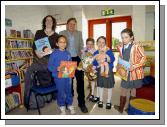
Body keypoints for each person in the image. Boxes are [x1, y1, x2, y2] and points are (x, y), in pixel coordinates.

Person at [24, 15, 59, 108]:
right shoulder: (39, 32)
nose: (48, 21)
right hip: (39, 59)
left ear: (53, 22)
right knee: (29, 71)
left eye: (50, 20)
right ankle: (28, 100)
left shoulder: (56, 35)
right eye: (47, 20)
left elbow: (58, 49)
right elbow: (35, 46)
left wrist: (53, 50)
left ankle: (56, 95)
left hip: (51, 61)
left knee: (57, 71)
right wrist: (37, 54)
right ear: (44, 22)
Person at [59, 18, 88, 113]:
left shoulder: (79, 33)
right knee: (68, 83)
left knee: (80, 82)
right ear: (67, 24)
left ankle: (81, 103)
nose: (72, 26)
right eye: (70, 24)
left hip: (77, 59)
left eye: (74, 24)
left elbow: (81, 46)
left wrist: (84, 57)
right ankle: (69, 102)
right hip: (67, 60)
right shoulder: (62, 32)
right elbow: (59, 46)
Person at [115, 28, 146, 113]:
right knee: (123, 89)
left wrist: (134, 66)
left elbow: (144, 59)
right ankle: (121, 108)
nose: (124, 40)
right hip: (125, 72)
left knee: (133, 90)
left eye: (126, 37)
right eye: (122, 37)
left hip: (134, 73)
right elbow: (122, 56)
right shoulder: (121, 46)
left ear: (131, 37)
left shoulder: (137, 46)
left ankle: (130, 109)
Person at [48, 35, 75, 115]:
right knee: (61, 91)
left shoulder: (68, 53)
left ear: (66, 44)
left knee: (69, 90)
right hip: (58, 76)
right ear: (57, 43)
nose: (63, 44)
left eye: (64, 42)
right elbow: (49, 66)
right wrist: (56, 68)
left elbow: (70, 64)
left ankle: (69, 104)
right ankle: (62, 106)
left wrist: (72, 70)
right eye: (61, 42)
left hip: (67, 76)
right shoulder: (54, 54)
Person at [92, 36, 115, 109]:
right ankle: (101, 100)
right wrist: (98, 61)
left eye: (103, 42)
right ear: (97, 43)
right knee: (100, 85)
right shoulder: (95, 52)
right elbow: (94, 62)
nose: (101, 44)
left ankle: (108, 101)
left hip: (108, 71)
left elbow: (113, 59)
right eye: (99, 42)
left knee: (109, 86)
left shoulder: (108, 50)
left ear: (105, 43)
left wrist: (106, 58)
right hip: (100, 71)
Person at [81, 38, 96, 102]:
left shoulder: (95, 51)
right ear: (86, 44)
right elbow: (82, 58)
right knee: (89, 80)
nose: (89, 45)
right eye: (88, 44)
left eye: (91, 44)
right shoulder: (84, 50)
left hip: (92, 68)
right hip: (85, 68)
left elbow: (95, 61)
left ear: (93, 44)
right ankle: (90, 89)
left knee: (92, 81)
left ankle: (92, 94)